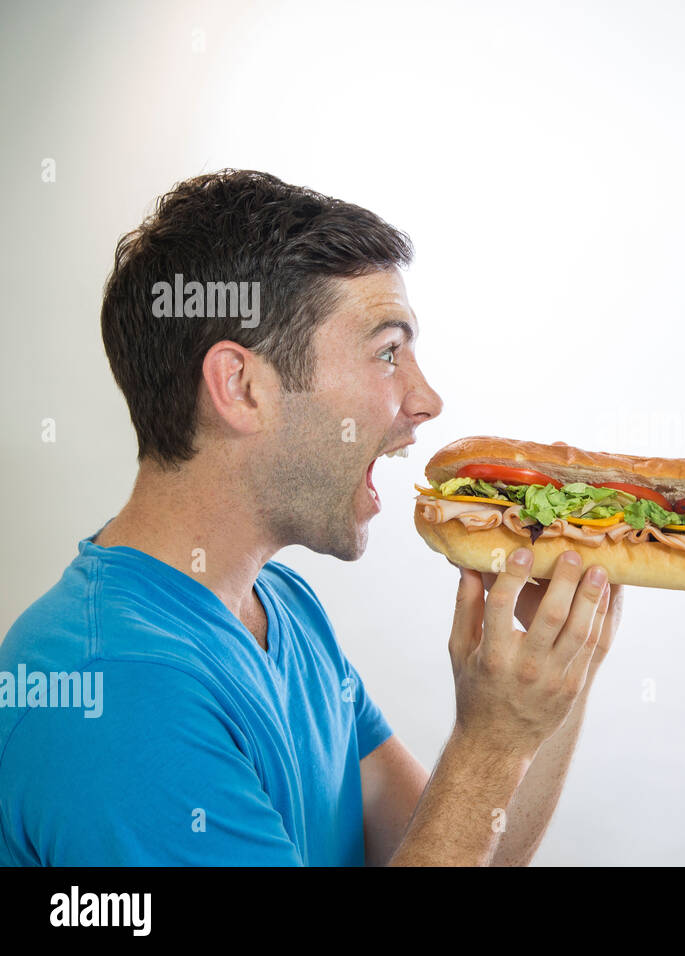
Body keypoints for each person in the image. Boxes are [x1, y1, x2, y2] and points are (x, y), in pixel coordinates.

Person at [0, 169, 621, 866]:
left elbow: (467, 849)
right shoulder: (118, 693)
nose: (427, 400)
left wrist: (561, 672)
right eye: (388, 351)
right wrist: (493, 741)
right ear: (241, 388)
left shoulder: (283, 608)